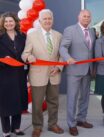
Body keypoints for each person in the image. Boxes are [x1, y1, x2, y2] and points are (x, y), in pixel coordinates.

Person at [21, 9, 64, 137]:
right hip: (37, 75)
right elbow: (25, 54)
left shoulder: (59, 35)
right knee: (37, 103)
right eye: (44, 19)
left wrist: (59, 67)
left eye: (49, 18)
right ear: (39, 21)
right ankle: (37, 127)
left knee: (54, 102)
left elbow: (62, 55)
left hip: (54, 74)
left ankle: (53, 124)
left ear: (53, 20)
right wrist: (28, 58)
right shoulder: (32, 35)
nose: (47, 21)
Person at [59, 10, 96, 136]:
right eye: (84, 16)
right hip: (74, 69)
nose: (86, 18)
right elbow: (63, 47)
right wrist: (67, 58)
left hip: (88, 70)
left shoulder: (92, 31)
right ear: (78, 17)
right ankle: (71, 124)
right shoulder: (70, 30)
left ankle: (81, 119)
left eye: (88, 16)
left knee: (85, 97)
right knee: (72, 98)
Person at [0, 12, 28, 137]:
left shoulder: (23, 36)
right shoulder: (0, 37)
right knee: (5, 104)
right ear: (3, 24)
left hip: (19, 74)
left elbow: (27, 52)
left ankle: (16, 128)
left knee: (18, 101)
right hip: (4, 74)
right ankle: (6, 131)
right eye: (6, 22)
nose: (8, 24)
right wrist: (2, 59)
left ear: (15, 22)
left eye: (10, 21)